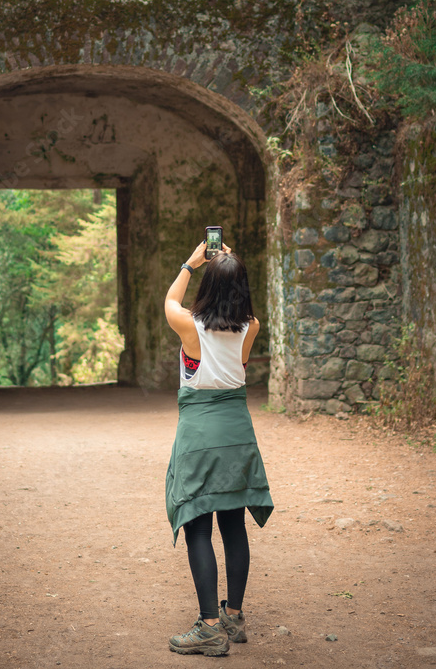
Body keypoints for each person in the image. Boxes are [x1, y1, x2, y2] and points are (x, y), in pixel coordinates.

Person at [164, 239, 274, 657]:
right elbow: (239, 366)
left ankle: (209, 626)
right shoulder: (253, 327)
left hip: (200, 437)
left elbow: (170, 299)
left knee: (198, 524)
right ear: (243, 287)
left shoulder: (189, 325)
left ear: (208, 286)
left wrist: (190, 263)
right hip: (237, 432)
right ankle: (234, 617)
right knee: (233, 525)